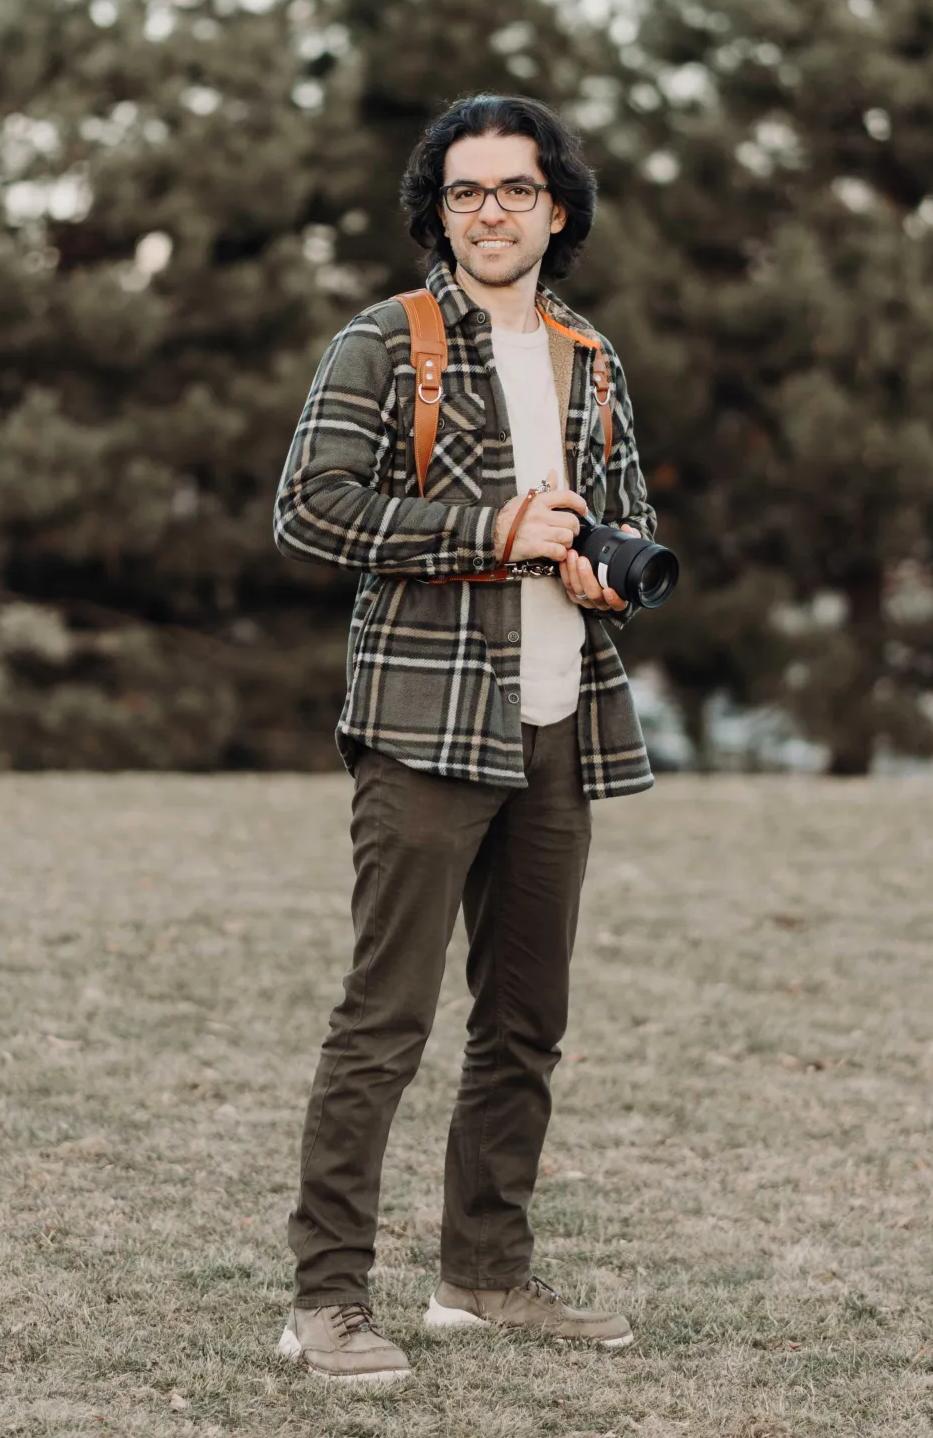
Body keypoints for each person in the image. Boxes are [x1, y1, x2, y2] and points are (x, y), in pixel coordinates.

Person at [272, 92, 657, 1386]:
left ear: (559, 208)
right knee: (384, 1021)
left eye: (517, 190)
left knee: (526, 1023)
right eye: (466, 192)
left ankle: (480, 1277)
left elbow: (624, 509)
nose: (492, 214)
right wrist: (487, 531)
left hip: (561, 724)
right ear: (438, 212)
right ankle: (324, 1300)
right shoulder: (387, 344)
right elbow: (311, 510)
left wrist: (601, 570)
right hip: (425, 727)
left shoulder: (589, 356)